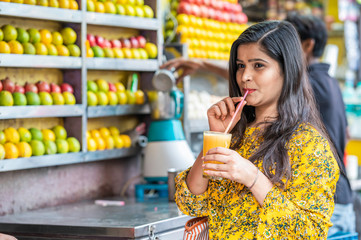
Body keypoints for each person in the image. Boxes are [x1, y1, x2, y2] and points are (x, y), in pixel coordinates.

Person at [162, 13, 355, 236]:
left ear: (287, 70)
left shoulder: (308, 145)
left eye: (259, 65)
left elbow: (308, 231)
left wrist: (252, 177)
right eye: (241, 65)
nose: (245, 76)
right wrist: (216, 136)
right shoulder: (235, 136)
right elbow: (190, 201)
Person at [285, 13, 355, 236]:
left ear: (307, 45)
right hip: (339, 201)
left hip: (328, 206)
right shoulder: (329, 82)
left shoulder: (307, 84)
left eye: (287, 43)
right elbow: (347, 133)